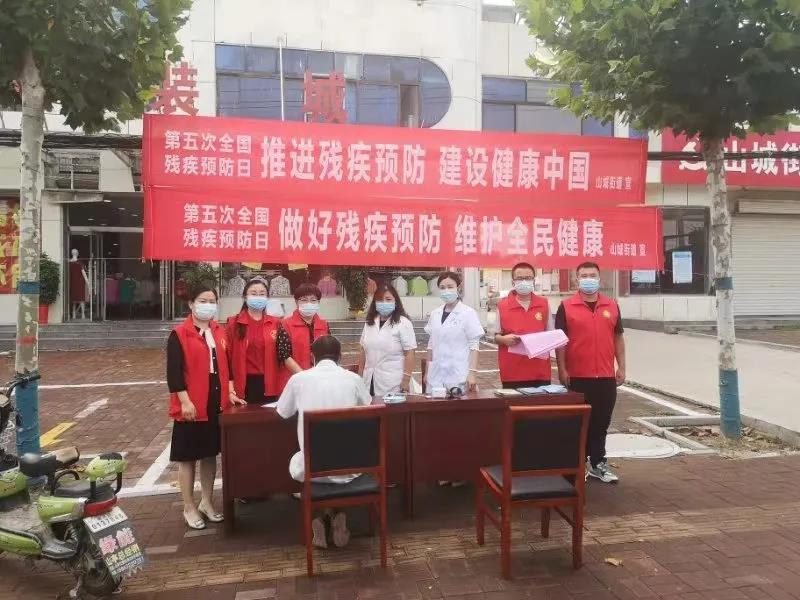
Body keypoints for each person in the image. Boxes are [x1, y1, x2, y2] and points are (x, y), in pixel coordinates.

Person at [276, 335, 372, 549]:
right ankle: (336, 516)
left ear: (312, 357)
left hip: (313, 467)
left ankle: (322, 516)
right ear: (340, 357)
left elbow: (283, 412)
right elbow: (367, 406)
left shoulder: (299, 380)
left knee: (311, 465)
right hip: (350, 467)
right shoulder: (353, 379)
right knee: (338, 459)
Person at [167, 284, 245, 530]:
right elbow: (174, 373)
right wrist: (185, 401)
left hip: (215, 401)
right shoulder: (179, 334)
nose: (208, 305)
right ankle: (188, 506)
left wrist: (230, 392)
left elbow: (226, 366)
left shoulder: (218, 331)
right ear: (191, 304)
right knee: (188, 457)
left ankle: (207, 501)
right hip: (191, 404)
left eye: (212, 301)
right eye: (202, 300)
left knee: (210, 455)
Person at [555, 262, 626, 484]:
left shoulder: (612, 306)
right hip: (577, 376)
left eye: (592, 275)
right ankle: (576, 465)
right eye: (584, 275)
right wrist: (562, 369)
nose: (588, 279)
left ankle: (598, 463)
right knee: (576, 424)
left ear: (599, 278)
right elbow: (560, 342)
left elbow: (618, 337)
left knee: (601, 423)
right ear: (576, 280)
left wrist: (621, 366)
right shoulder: (566, 306)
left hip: (605, 377)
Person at [226, 278, 299, 404]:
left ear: (267, 298)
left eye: (262, 294)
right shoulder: (233, 323)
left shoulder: (276, 323)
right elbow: (226, 357)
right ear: (245, 298)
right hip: (243, 384)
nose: (258, 297)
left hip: (270, 383)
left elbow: (285, 355)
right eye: (253, 294)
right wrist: (230, 388)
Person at [492, 262, 554, 389]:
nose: (524, 281)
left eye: (528, 278)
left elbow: (551, 334)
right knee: (514, 402)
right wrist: (503, 339)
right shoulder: (502, 306)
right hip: (512, 371)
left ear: (534, 280)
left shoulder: (544, 304)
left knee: (540, 402)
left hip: (540, 370)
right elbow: (495, 336)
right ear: (513, 282)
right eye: (520, 278)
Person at [424, 271, 484, 393]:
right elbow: (431, 345)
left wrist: (472, 374)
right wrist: (427, 372)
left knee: (458, 403)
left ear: (458, 288)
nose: (446, 290)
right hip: (435, 375)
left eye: (450, 287)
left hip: (458, 375)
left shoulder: (468, 313)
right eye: (442, 288)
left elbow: (474, 346)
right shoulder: (435, 314)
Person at [358, 283, 417, 396]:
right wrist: (360, 375)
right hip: (369, 379)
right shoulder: (369, 323)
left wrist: (406, 380)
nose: (384, 303)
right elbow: (362, 350)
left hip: (394, 382)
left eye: (388, 299)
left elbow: (409, 352)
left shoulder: (403, 323)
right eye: (380, 300)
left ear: (395, 301)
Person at [279, 283, 331, 388]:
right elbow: (284, 355)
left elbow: (329, 352)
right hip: (295, 380)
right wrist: (304, 377)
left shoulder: (324, 325)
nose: (309, 303)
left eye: (313, 300)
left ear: (318, 302)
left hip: (320, 380)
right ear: (296, 302)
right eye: (304, 300)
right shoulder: (285, 324)